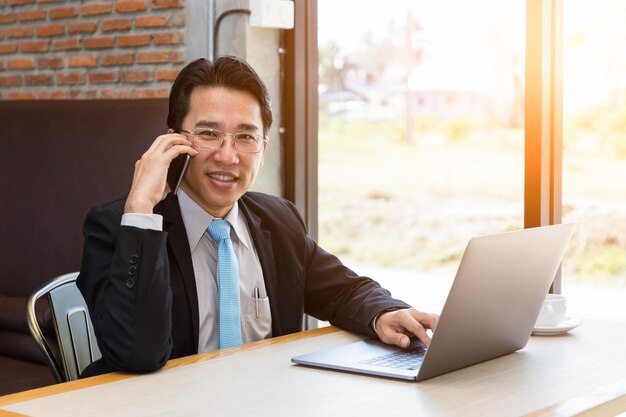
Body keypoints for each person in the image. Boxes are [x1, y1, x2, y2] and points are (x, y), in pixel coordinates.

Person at [77, 56, 438, 377]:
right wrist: (141, 210)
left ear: (263, 149)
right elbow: (137, 353)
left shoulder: (278, 219)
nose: (228, 155)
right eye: (208, 133)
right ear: (173, 143)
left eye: (246, 137)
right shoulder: (119, 226)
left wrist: (383, 314)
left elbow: (343, 292)